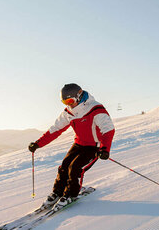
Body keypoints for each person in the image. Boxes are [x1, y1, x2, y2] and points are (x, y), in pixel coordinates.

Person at [28, 83, 115, 211]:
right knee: (64, 166)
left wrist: (105, 149)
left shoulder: (95, 109)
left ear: (79, 96)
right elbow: (55, 129)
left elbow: (108, 129)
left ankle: (70, 195)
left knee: (75, 168)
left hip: (94, 147)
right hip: (79, 144)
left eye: (70, 101)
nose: (68, 104)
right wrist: (38, 143)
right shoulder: (69, 112)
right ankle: (57, 192)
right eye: (64, 102)